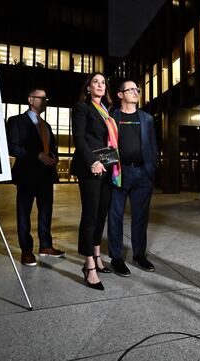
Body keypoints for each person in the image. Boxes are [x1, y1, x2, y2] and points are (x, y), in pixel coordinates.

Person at [6, 87, 65, 266]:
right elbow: (12, 147)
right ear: (30, 100)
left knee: (46, 211)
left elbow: (52, 147)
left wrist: (54, 157)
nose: (45, 101)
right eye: (42, 98)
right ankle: (26, 251)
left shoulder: (45, 125)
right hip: (26, 174)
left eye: (46, 99)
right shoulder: (16, 121)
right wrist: (37, 155)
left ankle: (45, 246)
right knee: (24, 212)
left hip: (46, 175)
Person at [107, 80, 158, 277]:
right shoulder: (112, 117)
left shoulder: (146, 118)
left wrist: (151, 169)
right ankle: (116, 258)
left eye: (137, 89)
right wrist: (110, 169)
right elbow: (107, 144)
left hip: (143, 174)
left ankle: (139, 255)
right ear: (120, 95)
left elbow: (152, 146)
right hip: (120, 173)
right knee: (116, 216)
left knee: (140, 217)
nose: (135, 92)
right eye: (130, 89)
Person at [71, 72, 116, 290]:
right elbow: (79, 138)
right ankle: (88, 265)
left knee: (101, 214)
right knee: (89, 215)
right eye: (95, 82)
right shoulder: (82, 108)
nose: (100, 85)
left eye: (103, 82)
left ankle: (97, 255)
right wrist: (92, 161)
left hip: (107, 167)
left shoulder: (108, 111)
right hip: (90, 168)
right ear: (88, 88)